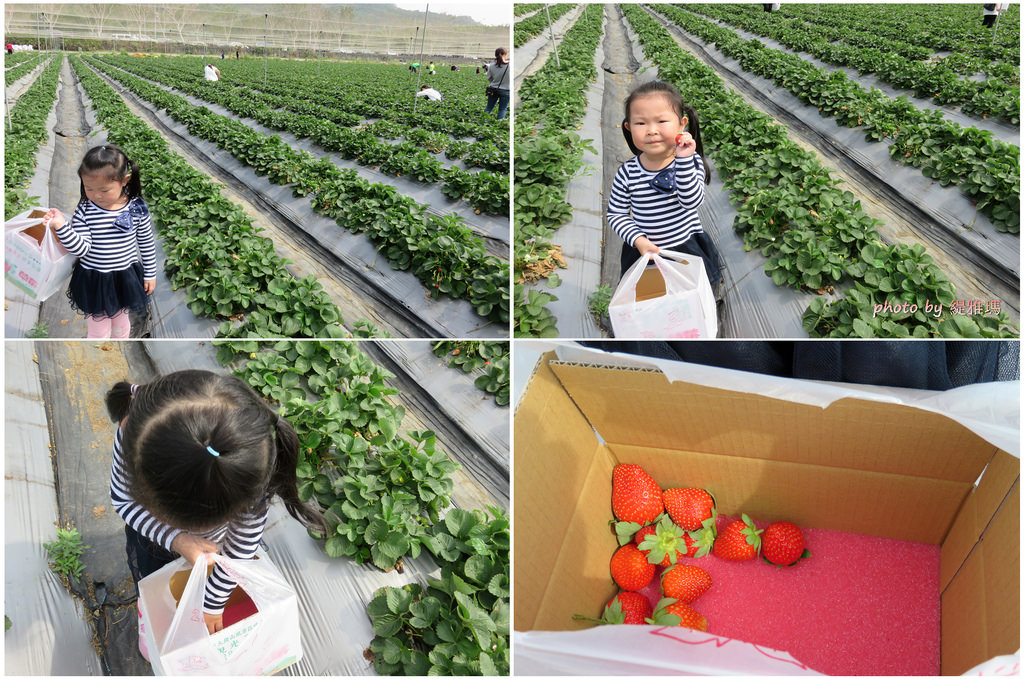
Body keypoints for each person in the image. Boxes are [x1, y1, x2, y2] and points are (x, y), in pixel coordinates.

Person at [106, 370, 327, 635]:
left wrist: (212, 604)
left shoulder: (249, 471)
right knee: (155, 586)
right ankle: (151, 624)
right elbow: (123, 499)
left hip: (214, 548)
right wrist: (175, 538)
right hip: (154, 540)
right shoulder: (135, 432)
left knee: (205, 579)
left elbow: (241, 548)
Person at [607, 80, 721, 295]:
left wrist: (684, 160)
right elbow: (616, 214)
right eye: (641, 124)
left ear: (681, 124)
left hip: (685, 249)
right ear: (628, 127)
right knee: (653, 298)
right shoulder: (628, 172)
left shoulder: (689, 163)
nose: (651, 130)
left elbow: (691, 202)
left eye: (661, 121)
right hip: (646, 253)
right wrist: (638, 240)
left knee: (690, 295)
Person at [42, 145, 157, 339]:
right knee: (98, 325)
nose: (96, 195)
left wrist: (150, 274)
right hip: (94, 278)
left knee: (121, 322)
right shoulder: (85, 211)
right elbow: (81, 248)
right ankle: (97, 345)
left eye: (104, 190)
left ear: (124, 180)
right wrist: (62, 226)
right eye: (89, 188)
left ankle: (120, 342)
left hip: (123, 277)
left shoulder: (136, 208)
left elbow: (146, 242)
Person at [483, 47, 510, 120]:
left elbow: (489, 78)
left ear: (495, 55)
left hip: (493, 89)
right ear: (506, 54)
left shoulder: (491, 66)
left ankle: (482, 121)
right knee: (502, 109)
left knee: (489, 107)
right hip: (506, 90)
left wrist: (495, 83)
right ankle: (499, 124)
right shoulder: (510, 66)